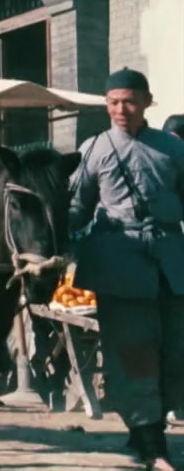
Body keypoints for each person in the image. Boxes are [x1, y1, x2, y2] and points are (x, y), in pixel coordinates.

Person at [69, 68, 184, 470]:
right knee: (133, 352)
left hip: (171, 262)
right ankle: (153, 446)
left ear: (147, 102)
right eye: (113, 102)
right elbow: (77, 206)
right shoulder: (94, 148)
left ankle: (146, 431)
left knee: (174, 353)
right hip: (119, 262)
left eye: (130, 101)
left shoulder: (172, 147)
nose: (121, 110)